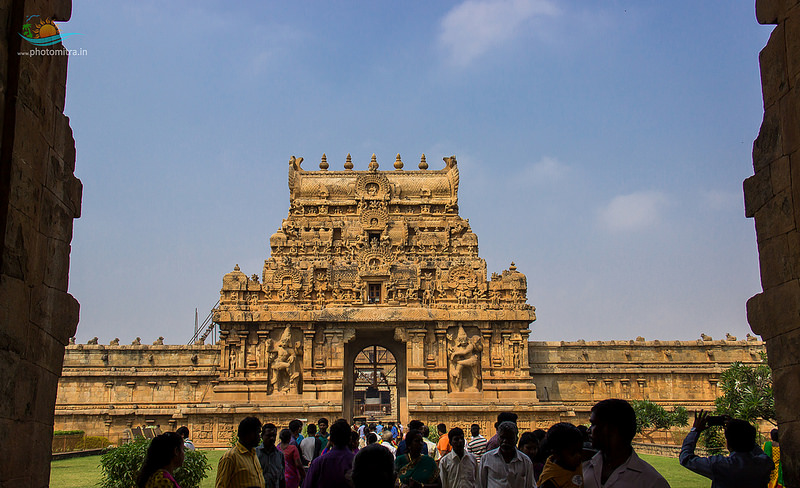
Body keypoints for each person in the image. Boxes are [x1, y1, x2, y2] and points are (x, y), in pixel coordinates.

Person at [583, 399, 668, 488]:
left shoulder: (652, 482)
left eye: (594, 424)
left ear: (612, 429)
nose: (588, 430)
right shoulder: (582, 467)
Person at [679, 410, 774, 487]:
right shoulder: (764, 464)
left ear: (728, 444)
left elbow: (685, 458)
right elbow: (756, 449)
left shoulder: (720, 465)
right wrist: (741, 430)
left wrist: (695, 430)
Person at [479, 421, 535, 488]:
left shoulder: (525, 461)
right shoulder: (487, 459)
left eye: (509, 438)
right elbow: (480, 484)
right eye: (502, 438)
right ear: (498, 438)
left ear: (516, 439)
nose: (505, 441)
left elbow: (530, 485)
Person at [302, 419, 356, 488]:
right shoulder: (356, 462)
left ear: (331, 439)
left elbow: (307, 485)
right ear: (350, 439)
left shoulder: (318, 462)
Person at [216, 417, 266, 488]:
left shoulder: (253, 453)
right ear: (248, 434)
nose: (259, 437)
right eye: (257, 433)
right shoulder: (230, 457)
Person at [537, 423, 583, 488]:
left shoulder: (575, 464)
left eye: (580, 451)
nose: (579, 456)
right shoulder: (550, 480)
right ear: (557, 454)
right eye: (573, 453)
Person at [256, 423, 286, 488]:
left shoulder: (279, 455)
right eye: (268, 436)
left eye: (274, 436)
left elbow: (282, 478)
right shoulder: (255, 454)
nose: (272, 438)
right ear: (262, 436)